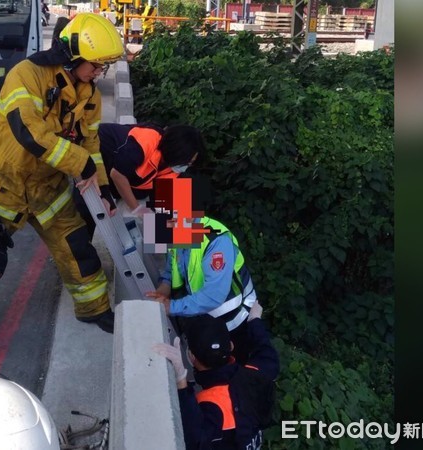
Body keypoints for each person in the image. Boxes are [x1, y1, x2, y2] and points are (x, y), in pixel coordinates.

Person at [0, 13, 124, 333]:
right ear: (73, 56)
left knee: (76, 246)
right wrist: (78, 161)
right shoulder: (26, 75)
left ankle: (94, 308)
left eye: (104, 66)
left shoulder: (90, 95)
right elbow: (28, 132)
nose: (100, 73)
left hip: (47, 188)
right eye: (96, 65)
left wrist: (102, 186)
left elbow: (92, 145)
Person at [146, 175, 260, 363]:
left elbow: (214, 295)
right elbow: (170, 270)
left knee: (232, 367)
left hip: (233, 320)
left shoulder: (217, 242)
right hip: (204, 315)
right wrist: (162, 292)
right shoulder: (176, 231)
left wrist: (170, 306)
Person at [153, 304, 279, 449]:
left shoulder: (209, 403)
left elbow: (193, 441)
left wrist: (181, 381)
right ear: (231, 346)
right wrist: (254, 320)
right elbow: (268, 355)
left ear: (191, 356)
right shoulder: (255, 374)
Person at [73, 123, 204, 237]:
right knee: (88, 211)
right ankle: (79, 253)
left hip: (122, 173)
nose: (187, 166)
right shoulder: (146, 141)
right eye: (187, 161)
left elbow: (168, 194)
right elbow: (117, 174)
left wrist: (181, 218)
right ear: (177, 152)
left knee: (149, 197)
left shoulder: (171, 166)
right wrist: (137, 209)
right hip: (97, 157)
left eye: (191, 163)